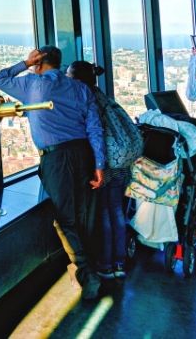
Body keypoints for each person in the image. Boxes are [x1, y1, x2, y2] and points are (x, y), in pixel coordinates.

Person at [0, 46, 105, 300]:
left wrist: (25, 62)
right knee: (84, 213)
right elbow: (95, 128)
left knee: (66, 218)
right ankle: (93, 267)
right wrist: (99, 164)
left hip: (56, 158)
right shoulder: (80, 88)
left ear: (39, 61)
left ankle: (87, 275)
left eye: (35, 60)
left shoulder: (33, 85)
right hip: (84, 153)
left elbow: (0, 79)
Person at [68, 61, 130, 280]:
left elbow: (95, 135)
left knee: (103, 214)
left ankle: (105, 264)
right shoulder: (103, 96)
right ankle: (119, 263)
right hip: (121, 163)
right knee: (117, 212)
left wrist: (98, 166)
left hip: (106, 165)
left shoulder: (85, 98)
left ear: (76, 79)